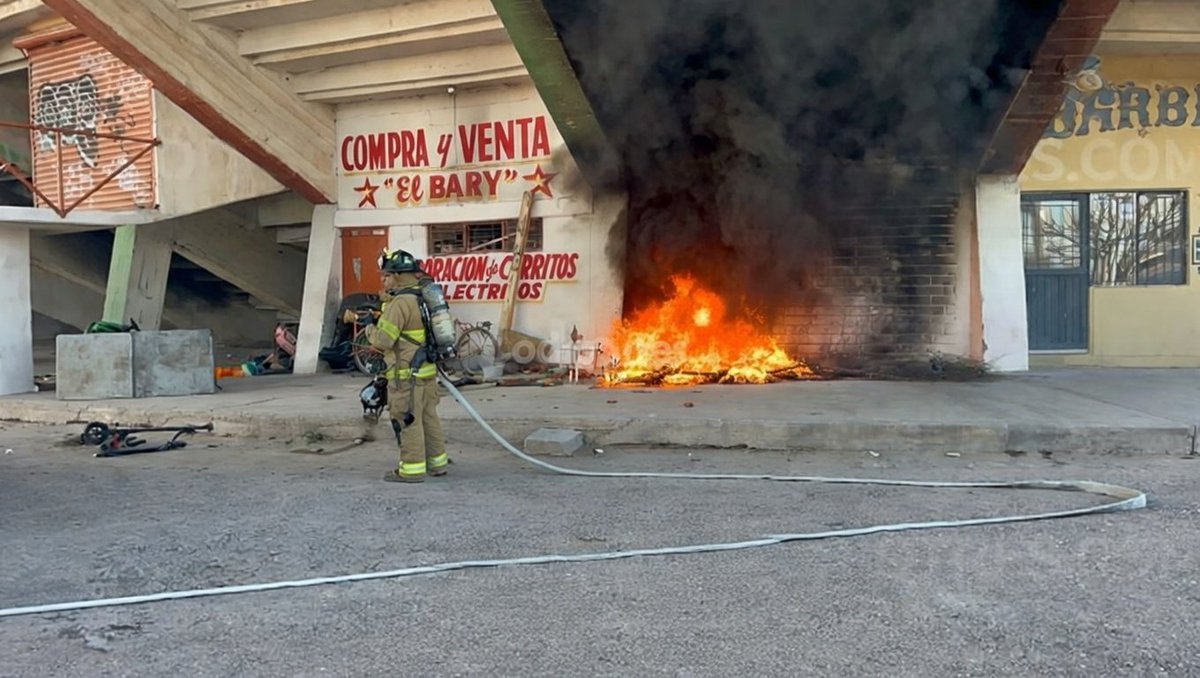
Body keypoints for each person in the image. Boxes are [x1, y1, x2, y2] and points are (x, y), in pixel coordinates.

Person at [344, 249, 449, 483]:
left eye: (387, 276)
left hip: (406, 374)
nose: (383, 280)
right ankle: (438, 464)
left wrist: (370, 326)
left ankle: (410, 471)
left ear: (399, 276)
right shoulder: (423, 296)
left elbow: (383, 341)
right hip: (427, 372)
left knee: (407, 419)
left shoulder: (400, 303)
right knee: (429, 417)